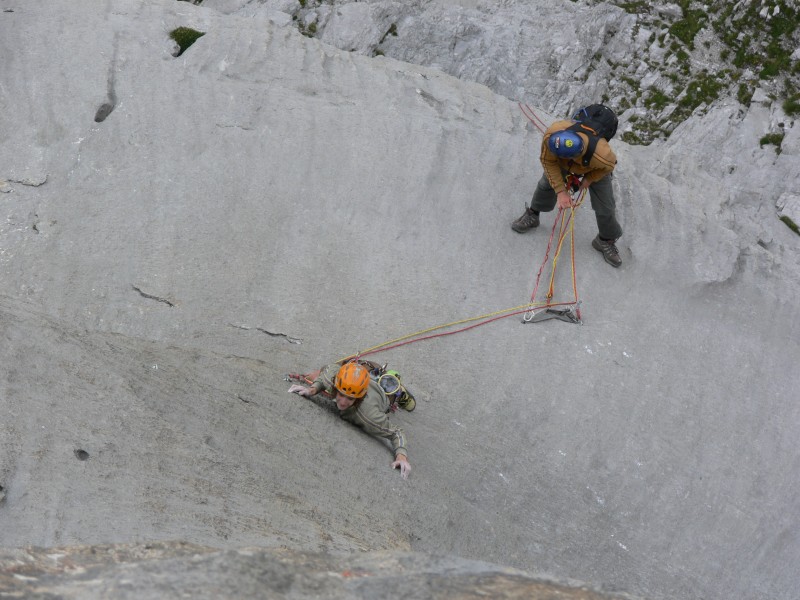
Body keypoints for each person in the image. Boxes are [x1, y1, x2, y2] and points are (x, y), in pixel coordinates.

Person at [511, 116, 623, 267]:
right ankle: (533, 214)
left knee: (606, 205)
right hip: (563, 161)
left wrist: (588, 180)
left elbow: (607, 168)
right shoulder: (551, 138)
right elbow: (548, 161)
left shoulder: (602, 156)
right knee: (546, 183)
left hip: (593, 167)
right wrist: (560, 191)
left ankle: (605, 240)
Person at [287, 361, 411, 479]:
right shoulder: (334, 380)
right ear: (335, 387)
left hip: (383, 392)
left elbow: (396, 433)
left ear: (358, 399)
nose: (343, 402)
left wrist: (401, 456)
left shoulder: (368, 415)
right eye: (341, 394)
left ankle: (400, 390)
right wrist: (312, 389)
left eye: (350, 399)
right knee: (320, 372)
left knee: (404, 400)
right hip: (364, 368)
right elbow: (330, 369)